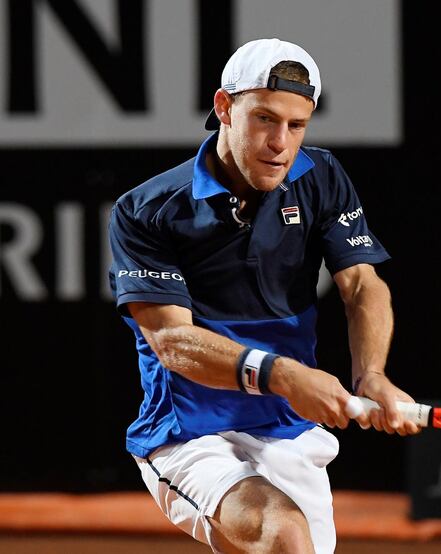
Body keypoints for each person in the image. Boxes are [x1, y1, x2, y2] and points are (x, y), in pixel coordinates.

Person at [108, 37, 418, 553]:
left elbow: (362, 285)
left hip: (289, 431)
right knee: (284, 535)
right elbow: (172, 341)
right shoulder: (147, 209)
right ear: (224, 107)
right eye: (265, 120)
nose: (281, 142)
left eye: (297, 125)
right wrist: (287, 375)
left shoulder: (321, 177)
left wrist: (372, 375)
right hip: (190, 432)